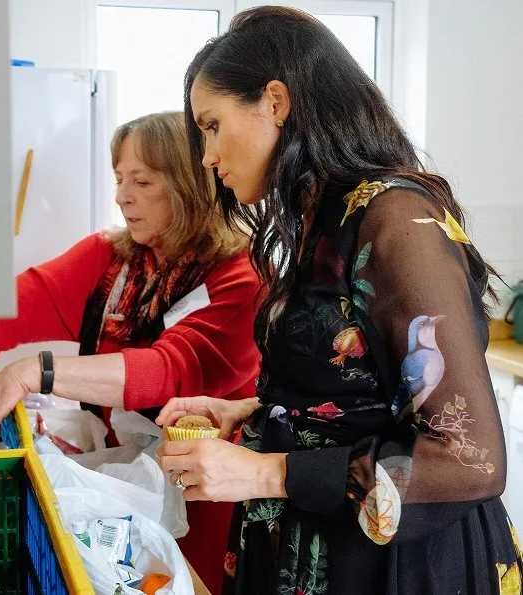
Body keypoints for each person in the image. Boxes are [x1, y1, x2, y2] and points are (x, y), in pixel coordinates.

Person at [156, 7, 523, 594]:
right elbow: (362, 395)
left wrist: (268, 470)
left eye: (212, 125)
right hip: (321, 545)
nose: (207, 156)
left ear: (275, 102)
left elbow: (470, 459)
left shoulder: (397, 219)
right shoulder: (322, 218)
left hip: (399, 567)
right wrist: (253, 413)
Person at [0, 111, 261, 594]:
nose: (122, 196)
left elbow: (166, 370)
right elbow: (13, 305)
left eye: (141, 180)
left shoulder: (239, 281)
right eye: (119, 179)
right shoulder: (110, 260)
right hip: (124, 490)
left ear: (188, 185)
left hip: (204, 501)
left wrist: (38, 371)